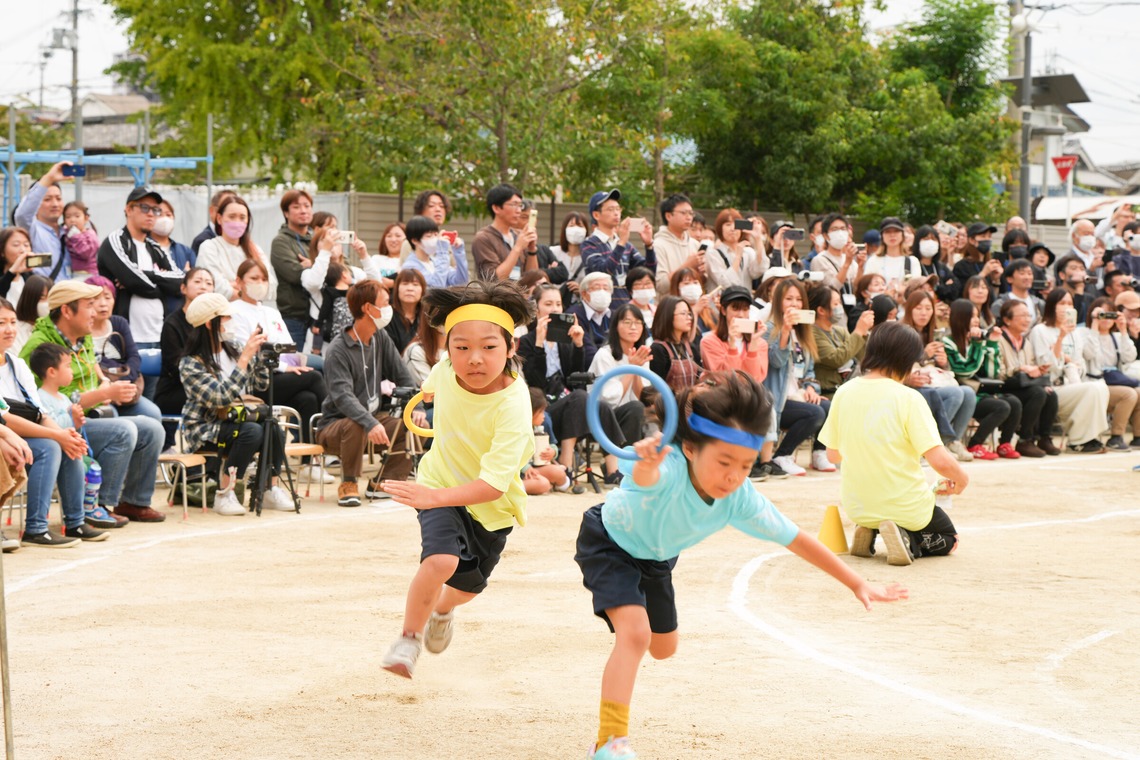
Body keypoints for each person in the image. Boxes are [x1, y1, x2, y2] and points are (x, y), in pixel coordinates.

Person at [576, 371, 907, 760]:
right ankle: (610, 743)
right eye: (724, 461)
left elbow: (796, 538)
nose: (734, 476)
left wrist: (856, 583)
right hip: (611, 541)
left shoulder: (740, 498)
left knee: (664, 648)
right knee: (635, 635)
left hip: (657, 558)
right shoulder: (666, 464)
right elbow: (648, 478)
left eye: (747, 465)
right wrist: (647, 461)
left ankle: (620, 690)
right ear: (691, 449)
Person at [377, 280, 538, 679]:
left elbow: (493, 486)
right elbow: (430, 390)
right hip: (439, 481)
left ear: (511, 348)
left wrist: (432, 499)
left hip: (490, 505)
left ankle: (443, 610)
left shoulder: (514, 407)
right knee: (441, 560)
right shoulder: (444, 369)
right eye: (461, 347)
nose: (474, 359)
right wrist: (422, 406)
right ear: (448, 349)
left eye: (489, 347)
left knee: (466, 588)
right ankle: (407, 641)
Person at [820, 321, 969, 566]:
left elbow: (833, 456)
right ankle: (907, 539)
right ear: (905, 360)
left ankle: (869, 529)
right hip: (905, 507)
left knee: (882, 511)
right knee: (949, 538)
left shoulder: (844, 392)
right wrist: (963, 480)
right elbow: (940, 461)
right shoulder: (909, 398)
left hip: (858, 507)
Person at [21, 280, 167, 523]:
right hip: (59, 425)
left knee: (152, 426)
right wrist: (103, 395)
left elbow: (94, 371)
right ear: (67, 311)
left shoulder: (81, 336)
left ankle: (133, 502)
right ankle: (96, 505)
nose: (96, 310)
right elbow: (46, 403)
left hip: (91, 415)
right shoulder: (39, 347)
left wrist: (106, 385)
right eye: (89, 305)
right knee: (124, 431)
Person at [0, 300, 114, 546]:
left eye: (11, 322)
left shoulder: (17, 365)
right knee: (52, 445)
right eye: (1, 323)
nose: (9, 329)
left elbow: (38, 412)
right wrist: (56, 436)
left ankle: (75, 523)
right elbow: (5, 418)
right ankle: (36, 529)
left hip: (26, 429)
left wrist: (64, 434)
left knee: (69, 440)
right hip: (6, 433)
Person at [178, 293, 292, 515]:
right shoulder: (190, 363)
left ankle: (269, 488)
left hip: (237, 418)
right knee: (251, 432)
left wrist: (260, 356)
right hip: (204, 427)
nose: (232, 323)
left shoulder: (234, 347)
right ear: (210, 323)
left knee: (273, 428)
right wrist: (244, 359)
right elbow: (219, 397)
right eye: (227, 318)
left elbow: (259, 385)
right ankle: (225, 493)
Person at [316, 280, 421, 506]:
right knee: (356, 423)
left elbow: (403, 375)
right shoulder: (338, 349)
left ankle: (384, 482)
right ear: (367, 308)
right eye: (384, 303)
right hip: (335, 426)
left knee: (412, 424)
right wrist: (369, 422)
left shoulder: (380, 338)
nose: (388, 309)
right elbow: (343, 396)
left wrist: (417, 407)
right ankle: (349, 483)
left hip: (373, 419)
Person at [228, 259, 330, 483]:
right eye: (253, 278)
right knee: (313, 376)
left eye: (263, 279)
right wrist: (286, 365)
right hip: (256, 381)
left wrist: (291, 364)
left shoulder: (271, 313)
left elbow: (288, 347)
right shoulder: (233, 311)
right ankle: (331, 425)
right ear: (239, 282)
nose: (260, 283)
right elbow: (248, 351)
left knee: (307, 398)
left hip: (283, 375)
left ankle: (308, 463)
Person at [518, 284, 624, 484]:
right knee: (580, 397)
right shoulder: (527, 341)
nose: (555, 309)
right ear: (537, 308)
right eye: (548, 304)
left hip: (567, 399)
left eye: (558, 304)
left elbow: (575, 376)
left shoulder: (564, 340)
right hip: (543, 408)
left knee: (598, 405)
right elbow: (535, 381)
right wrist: (540, 344)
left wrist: (578, 345)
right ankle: (566, 465)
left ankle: (612, 470)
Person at [26, 342, 110, 543]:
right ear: (52, 371)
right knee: (64, 448)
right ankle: (41, 527)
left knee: (72, 452)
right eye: (68, 366)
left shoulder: (63, 397)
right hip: (47, 446)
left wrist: (78, 423)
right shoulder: (40, 397)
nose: (72, 371)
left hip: (63, 444)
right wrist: (70, 419)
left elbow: (69, 429)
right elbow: (50, 425)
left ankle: (75, 522)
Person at [95, 185, 186, 353]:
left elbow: (180, 281)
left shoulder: (155, 246)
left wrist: (144, 275)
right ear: (129, 209)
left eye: (156, 210)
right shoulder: (115, 241)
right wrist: (162, 285)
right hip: (126, 338)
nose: (151, 214)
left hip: (159, 334)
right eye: (145, 208)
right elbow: (133, 280)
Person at [763, 278, 831, 477]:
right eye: (788, 299)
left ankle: (819, 452)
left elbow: (809, 370)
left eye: (799, 300)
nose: (794, 304)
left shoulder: (803, 332)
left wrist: (811, 388)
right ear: (778, 302)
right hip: (778, 398)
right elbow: (775, 361)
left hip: (798, 393)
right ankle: (782, 455)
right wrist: (784, 331)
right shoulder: (768, 328)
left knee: (828, 407)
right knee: (815, 413)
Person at [1027, 291, 1110, 453]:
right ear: (1052, 306)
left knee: (1100, 386)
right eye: (1062, 303)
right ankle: (1078, 441)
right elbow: (1047, 366)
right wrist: (1060, 339)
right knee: (1093, 389)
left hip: (1071, 383)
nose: (1067, 307)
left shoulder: (1075, 334)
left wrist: (1071, 363)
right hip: (1051, 388)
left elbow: (1080, 364)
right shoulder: (1040, 330)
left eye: (1070, 304)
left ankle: (1087, 437)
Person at [900, 290, 977, 461]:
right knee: (956, 393)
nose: (924, 313)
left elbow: (940, 368)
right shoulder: (901, 332)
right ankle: (933, 445)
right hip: (907, 387)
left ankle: (950, 441)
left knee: (969, 393)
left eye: (928, 308)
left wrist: (943, 362)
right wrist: (924, 355)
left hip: (931, 384)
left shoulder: (933, 333)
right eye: (919, 308)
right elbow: (895, 365)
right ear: (909, 309)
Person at [941, 300, 1020, 460]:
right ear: (960, 317)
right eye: (972, 316)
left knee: (1014, 402)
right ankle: (975, 444)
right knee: (1001, 407)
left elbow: (992, 373)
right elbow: (963, 370)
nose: (977, 320)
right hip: (963, 394)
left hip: (981, 391)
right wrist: (978, 346)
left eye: (977, 316)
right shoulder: (947, 342)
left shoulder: (976, 340)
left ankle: (1004, 444)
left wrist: (991, 343)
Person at [85, 275, 163, 421]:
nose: (103, 304)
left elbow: (134, 357)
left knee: (153, 414)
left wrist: (122, 387)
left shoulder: (119, 323)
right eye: (96, 299)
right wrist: (111, 390)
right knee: (109, 415)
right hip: (98, 392)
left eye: (108, 297)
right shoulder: (82, 329)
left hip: (125, 389)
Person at [155, 267, 215, 447]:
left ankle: (214, 461)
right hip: (175, 390)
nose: (203, 286)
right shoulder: (172, 324)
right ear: (183, 288)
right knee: (211, 399)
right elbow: (176, 366)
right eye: (197, 281)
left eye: (209, 283)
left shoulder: (212, 323)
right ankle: (199, 462)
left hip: (206, 386)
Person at [993, 300, 1061, 457]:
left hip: (1023, 384)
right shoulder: (998, 339)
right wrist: (1020, 369)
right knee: (1038, 393)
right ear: (1007, 319)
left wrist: (1038, 370)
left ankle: (1044, 438)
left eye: (1028, 315)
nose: (1027, 319)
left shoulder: (1026, 342)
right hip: (1004, 385)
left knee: (1050, 393)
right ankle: (1025, 440)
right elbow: (998, 372)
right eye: (1022, 315)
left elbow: (1030, 365)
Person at [587, 303, 650, 453]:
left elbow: (644, 397)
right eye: (627, 322)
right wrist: (631, 368)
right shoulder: (604, 355)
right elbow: (609, 399)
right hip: (603, 416)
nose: (633, 327)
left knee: (642, 408)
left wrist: (636, 369)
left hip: (633, 413)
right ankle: (623, 463)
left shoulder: (641, 354)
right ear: (616, 326)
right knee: (635, 409)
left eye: (637, 323)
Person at [1081, 297, 1140, 451]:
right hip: (1094, 383)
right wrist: (1094, 323)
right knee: (1129, 394)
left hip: (1115, 381)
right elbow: (1089, 354)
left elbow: (1130, 357)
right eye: (1103, 314)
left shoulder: (1117, 336)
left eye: (1111, 314)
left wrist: (1123, 330)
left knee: (1139, 392)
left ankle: (1138, 436)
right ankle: (1116, 437)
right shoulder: (1085, 333)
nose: (1107, 318)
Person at [197, 195, 278, 304]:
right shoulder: (209, 247)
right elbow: (216, 288)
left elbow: (271, 289)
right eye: (232, 216)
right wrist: (251, 289)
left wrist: (232, 284)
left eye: (242, 217)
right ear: (220, 219)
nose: (237, 222)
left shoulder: (255, 249)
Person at [269, 188, 316, 348]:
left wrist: (311, 264)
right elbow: (294, 274)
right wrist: (319, 265)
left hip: (320, 317)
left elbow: (340, 269)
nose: (303, 210)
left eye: (307, 205)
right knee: (293, 364)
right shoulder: (280, 241)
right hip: (294, 318)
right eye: (296, 207)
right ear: (286, 213)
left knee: (322, 367)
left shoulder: (318, 239)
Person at [581, 189, 657, 287]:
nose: (616, 213)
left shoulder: (626, 245)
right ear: (596, 215)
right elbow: (604, 272)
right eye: (610, 209)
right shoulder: (589, 244)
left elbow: (649, 272)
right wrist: (621, 243)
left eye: (618, 209)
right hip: (601, 301)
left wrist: (649, 245)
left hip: (626, 301)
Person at [810, 284, 872, 397]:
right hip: (828, 392)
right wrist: (858, 331)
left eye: (840, 302)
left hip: (849, 387)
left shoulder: (839, 331)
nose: (840, 307)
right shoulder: (811, 333)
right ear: (821, 310)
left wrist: (863, 332)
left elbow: (861, 356)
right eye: (835, 304)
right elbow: (836, 359)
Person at [13, 161, 70, 278]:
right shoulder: (32, 231)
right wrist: (48, 178)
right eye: (47, 199)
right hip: (46, 295)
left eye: (58, 198)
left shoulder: (69, 233)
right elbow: (22, 215)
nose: (55, 204)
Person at [471, 184, 537, 281]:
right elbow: (494, 279)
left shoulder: (518, 235)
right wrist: (518, 247)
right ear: (496, 208)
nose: (519, 210)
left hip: (520, 295)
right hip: (497, 296)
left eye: (520, 205)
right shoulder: (483, 238)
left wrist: (532, 249)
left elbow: (533, 279)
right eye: (514, 205)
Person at [522, 388, 574, 495]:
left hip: (537, 467)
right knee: (544, 484)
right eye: (540, 412)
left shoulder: (543, 424)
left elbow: (552, 444)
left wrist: (552, 452)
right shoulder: (518, 430)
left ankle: (560, 485)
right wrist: (525, 468)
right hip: (518, 472)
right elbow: (511, 455)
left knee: (558, 473)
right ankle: (513, 489)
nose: (544, 415)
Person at [648, 296, 702, 395]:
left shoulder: (690, 347)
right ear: (668, 316)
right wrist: (690, 392)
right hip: (670, 406)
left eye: (689, 314)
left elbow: (700, 376)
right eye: (683, 313)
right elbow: (657, 391)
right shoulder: (658, 349)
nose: (689, 317)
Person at [413, 189, 468, 284]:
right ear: (420, 211)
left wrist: (459, 251)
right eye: (431, 205)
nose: (438, 209)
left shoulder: (448, 242)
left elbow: (460, 280)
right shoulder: (411, 242)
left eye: (442, 206)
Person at [652, 194, 702, 296]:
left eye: (691, 213)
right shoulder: (658, 245)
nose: (689, 218)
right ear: (668, 216)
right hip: (669, 307)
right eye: (683, 213)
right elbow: (661, 286)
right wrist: (687, 266)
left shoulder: (695, 244)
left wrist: (702, 272)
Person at [401, 215, 469, 288]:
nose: (435, 239)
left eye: (436, 235)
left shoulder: (435, 262)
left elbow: (461, 282)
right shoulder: (410, 267)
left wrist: (458, 251)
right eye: (429, 236)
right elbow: (437, 287)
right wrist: (442, 251)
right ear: (415, 240)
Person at [706, 208, 766, 290]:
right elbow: (725, 283)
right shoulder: (713, 254)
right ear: (720, 228)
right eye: (728, 224)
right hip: (721, 302)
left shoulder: (748, 252)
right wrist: (738, 257)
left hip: (745, 301)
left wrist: (758, 238)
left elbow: (759, 270)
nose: (732, 228)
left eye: (736, 224)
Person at [810, 213, 864, 293]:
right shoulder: (819, 260)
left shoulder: (851, 260)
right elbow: (832, 288)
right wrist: (846, 264)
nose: (840, 233)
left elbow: (857, 287)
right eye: (835, 229)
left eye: (843, 229)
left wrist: (860, 267)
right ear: (826, 236)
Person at [864, 217, 920, 288]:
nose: (892, 235)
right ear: (882, 236)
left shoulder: (912, 261)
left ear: (902, 235)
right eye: (887, 232)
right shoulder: (873, 261)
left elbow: (915, 288)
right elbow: (867, 286)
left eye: (896, 231)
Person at [951, 222, 1003, 299]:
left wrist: (996, 280)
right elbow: (963, 293)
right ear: (972, 240)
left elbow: (992, 298)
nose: (987, 240)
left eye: (989, 237)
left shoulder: (987, 263)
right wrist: (983, 273)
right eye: (983, 236)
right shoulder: (962, 266)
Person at [550, 211, 591, 305]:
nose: (576, 229)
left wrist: (581, 290)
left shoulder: (589, 257)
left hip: (579, 306)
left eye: (580, 225)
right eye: (571, 225)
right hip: (554, 304)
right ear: (564, 229)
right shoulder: (553, 252)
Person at [567, 271, 613, 352]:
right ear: (584, 294)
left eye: (606, 288)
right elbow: (587, 352)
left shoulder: (614, 315)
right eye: (597, 288)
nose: (602, 292)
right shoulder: (574, 315)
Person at [991, 259, 1046, 327]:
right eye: (1022, 273)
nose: (1027, 277)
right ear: (1009, 279)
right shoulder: (1000, 305)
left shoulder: (1040, 304)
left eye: (1029, 273)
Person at [385, 268, 427, 356]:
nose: (410, 288)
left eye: (415, 284)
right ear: (397, 288)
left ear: (422, 290)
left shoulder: (427, 317)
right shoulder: (387, 316)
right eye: (405, 284)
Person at [912, 225, 956, 304]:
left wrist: (936, 288)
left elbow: (954, 288)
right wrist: (942, 287)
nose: (930, 242)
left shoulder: (941, 266)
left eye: (933, 239)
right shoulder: (912, 264)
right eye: (926, 238)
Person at [151, 199, 196, 274]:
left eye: (168, 215)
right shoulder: (144, 248)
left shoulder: (186, 251)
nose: (165, 219)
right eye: (159, 214)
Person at [13, 275, 51, 354]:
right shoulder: (15, 329)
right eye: (43, 298)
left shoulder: (51, 327)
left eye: (51, 298)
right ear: (30, 299)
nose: (48, 304)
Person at [61, 201, 100, 278]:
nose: (72, 220)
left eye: (77, 216)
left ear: (86, 218)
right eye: (68, 217)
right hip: (71, 274)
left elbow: (86, 254)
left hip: (87, 274)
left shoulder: (90, 235)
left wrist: (76, 236)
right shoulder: (66, 233)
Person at [191, 189, 236, 254]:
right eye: (225, 208)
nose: (236, 220)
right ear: (212, 211)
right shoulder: (202, 241)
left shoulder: (241, 241)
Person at [0, 227, 34, 304]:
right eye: (16, 245)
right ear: (2, 251)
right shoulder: (4, 280)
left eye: (26, 245)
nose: (23, 250)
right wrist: (11, 273)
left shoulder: (31, 278)